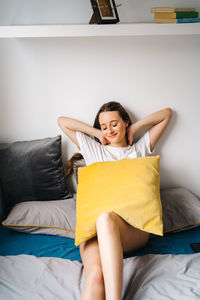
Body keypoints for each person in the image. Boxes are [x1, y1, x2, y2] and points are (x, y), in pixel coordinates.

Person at [57, 101, 172, 300]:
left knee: (106, 218)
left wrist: (135, 127)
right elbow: (62, 122)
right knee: (95, 277)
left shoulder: (140, 150)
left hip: (130, 229)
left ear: (125, 122)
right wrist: (96, 133)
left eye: (114, 124)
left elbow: (166, 114)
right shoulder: (94, 150)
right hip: (94, 232)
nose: (109, 130)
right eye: (104, 126)